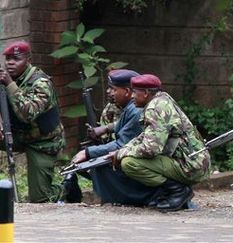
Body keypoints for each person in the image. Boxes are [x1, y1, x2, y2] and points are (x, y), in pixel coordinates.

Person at [107, 74, 211, 211]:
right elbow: (145, 136)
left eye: (135, 92)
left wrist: (122, 153)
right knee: (128, 156)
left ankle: (178, 191)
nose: (132, 97)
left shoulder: (155, 109)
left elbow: (150, 149)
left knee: (129, 163)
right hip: (193, 161)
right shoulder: (162, 99)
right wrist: (124, 149)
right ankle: (170, 192)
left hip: (191, 165)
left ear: (145, 93)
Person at [0, 41, 81, 203]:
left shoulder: (41, 83)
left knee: (40, 199)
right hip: (17, 134)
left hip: (43, 142)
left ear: (28, 59)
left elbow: (27, 113)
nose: (10, 63)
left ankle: (67, 187)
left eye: (16, 59)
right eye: (7, 59)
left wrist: (9, 84)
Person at [71, 69, 159, 205]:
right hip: (138, 154)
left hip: (147, 160)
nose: (109, 92)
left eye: (113, 89)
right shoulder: (128, 108)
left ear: (127, 92)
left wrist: (89, 152)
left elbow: (121, 144)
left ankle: (133, 198)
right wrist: (103, 131)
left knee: (99, 163)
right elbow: (119, 128)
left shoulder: (135, 110)